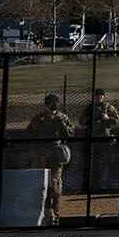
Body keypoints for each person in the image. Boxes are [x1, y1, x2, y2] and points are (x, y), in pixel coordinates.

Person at [27, 93, 75, 225]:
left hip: (56, 153)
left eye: (54, 103)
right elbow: (29, 132)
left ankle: (55, 212)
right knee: (43, 183)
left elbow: (71, 133)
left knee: (55, 185)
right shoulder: (39, 118)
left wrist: (62, 125)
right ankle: (46, 211)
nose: (53, 105)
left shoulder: (62, 117)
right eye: (50, 103)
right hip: (42, 154)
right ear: (46, 104)